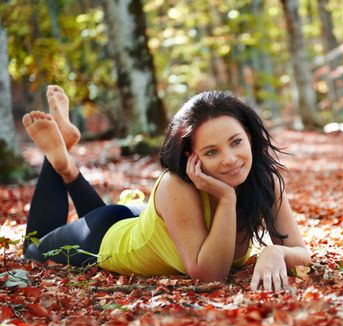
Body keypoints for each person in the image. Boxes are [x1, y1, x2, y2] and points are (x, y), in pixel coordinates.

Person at [22, 86, 311, 292]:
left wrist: (274, 253)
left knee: (101, 214)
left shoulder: (264, 180)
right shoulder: (177, 186)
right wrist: (225, 198)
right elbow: (209, 275)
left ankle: (68, 164)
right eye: (211, 152)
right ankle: (59, 160)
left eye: (236, 142)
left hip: (139, 219)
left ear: (248, 136)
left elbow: (301, 252)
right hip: (102, 239)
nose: (231, 160)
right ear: (191, 157)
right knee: (32, 249)